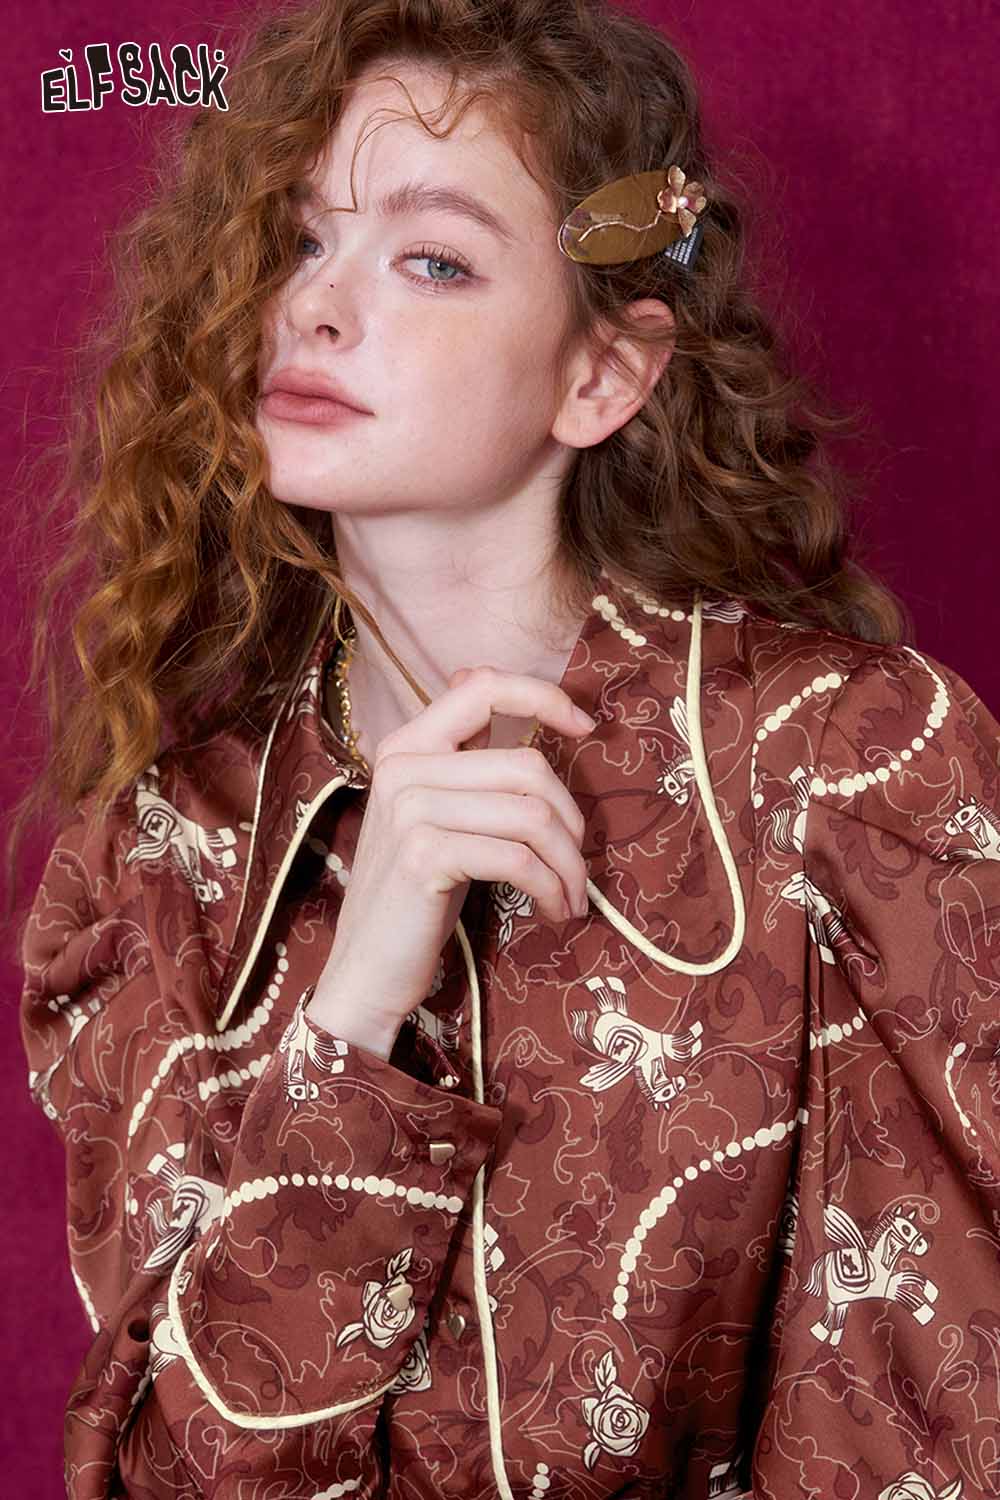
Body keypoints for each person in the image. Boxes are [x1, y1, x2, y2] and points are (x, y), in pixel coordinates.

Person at [11, 2, 999, 1497]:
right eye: (300, 241)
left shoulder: (844, 771)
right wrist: (350, 1021)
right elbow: (162, 1472)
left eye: (433, 259)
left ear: (602, 376)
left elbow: (935, 1425)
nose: (314, 306)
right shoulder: (161, 851)